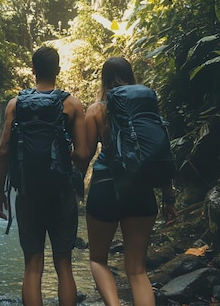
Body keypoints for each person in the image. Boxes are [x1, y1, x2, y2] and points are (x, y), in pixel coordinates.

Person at [0, 46, 87, 306]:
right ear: (58, 70)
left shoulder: (16, 104)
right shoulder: (71, 104)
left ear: (33, 70)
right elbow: (81, 154)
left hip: (27, 193)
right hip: (60, 193)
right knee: (64, 265)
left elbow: (3, 150)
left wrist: (0, 191)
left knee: (33, 265)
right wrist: (60, 158)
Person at [83, 57, 178, 306]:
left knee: (97, 260)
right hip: (142, 189)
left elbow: (85, 154)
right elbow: (161, 153)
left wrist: (75, 184)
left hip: (105, 187)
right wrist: (169, 198)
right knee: (137, 270)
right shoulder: (147, 111)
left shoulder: (95, 110)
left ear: (104, 79)